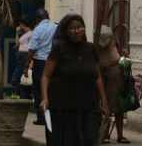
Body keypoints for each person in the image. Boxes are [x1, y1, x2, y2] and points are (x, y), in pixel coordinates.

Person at [40, 14, 108, 146]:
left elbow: (97, 77)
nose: (76, 31)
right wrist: (45, 98)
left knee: (89, 138)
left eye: (79, 27)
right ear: (65, 31)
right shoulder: (59, 49)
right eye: (72, 28)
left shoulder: (91, 48)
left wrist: (104, 101)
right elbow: (46, 76)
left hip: (88, 105)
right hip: (62, 106)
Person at [97, 26, 127, 144]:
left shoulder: (114, 42)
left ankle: (119, 135)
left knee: (119, 107)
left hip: (115, 76)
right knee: (105, 106)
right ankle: (105, 134)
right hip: (104, 76)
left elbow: (119, 57)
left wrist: (123, 57)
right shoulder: (97, 46)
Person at [29, 8, 57, 125]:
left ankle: (41, 118)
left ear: (38, 19)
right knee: (51, 89)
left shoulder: (37, 30)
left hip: (40, 63)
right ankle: (52, 117)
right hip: (54, 62)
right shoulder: (56, 27)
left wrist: (26, 65)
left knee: (39, 90)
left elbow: (32, 49)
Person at [12, 19, 33, 98]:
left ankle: (20, 93)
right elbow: (17, 44)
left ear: (24, 25)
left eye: (20, 24)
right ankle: (18, 93)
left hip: (25, 55)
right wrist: (17, 33)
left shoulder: (31, 34)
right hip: (21, 55)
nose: (19, 26)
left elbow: (31, 46)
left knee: (19, 74)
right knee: (18, 73)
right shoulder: (24, 34)